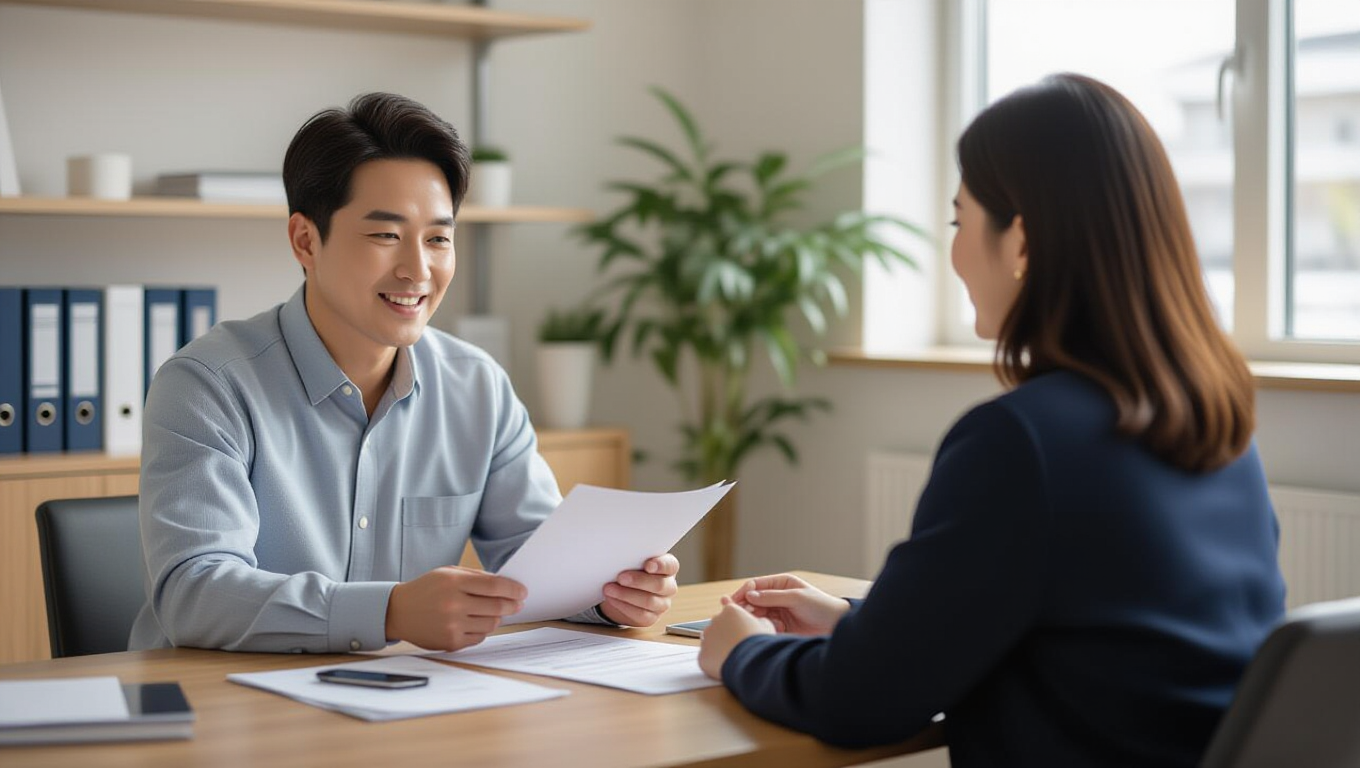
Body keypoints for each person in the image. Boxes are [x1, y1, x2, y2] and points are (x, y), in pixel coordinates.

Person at [697, 73, 1286, 768]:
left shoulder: (1021, 442)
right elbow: (1101, 650)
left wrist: (742, 652)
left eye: (959, 221)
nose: (952, 253)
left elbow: (856, 704)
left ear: (1022, 242)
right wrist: (860, 626)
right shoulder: (1218, 424)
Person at [130, 92, 678, 654]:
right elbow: (193, 593)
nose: (418, 269)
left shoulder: (477, 386)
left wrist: (609, 594)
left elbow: (540, 563)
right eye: (386, 235)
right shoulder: (206, 385)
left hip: (402, 702)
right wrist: (388, 611)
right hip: (226, 709)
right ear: (305, 240)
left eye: (439, 238)